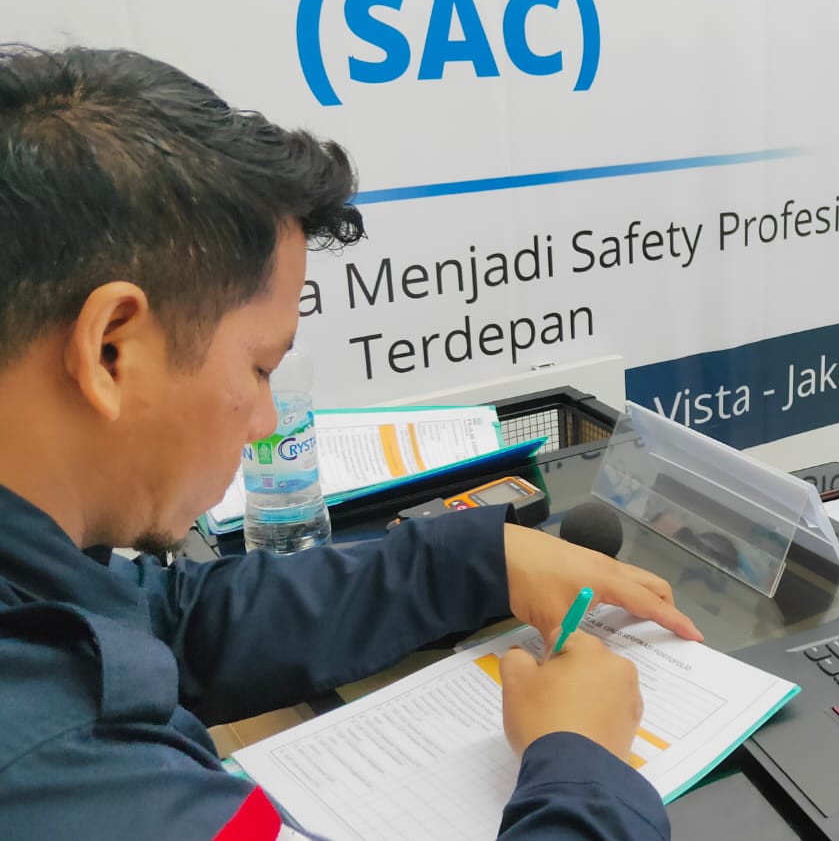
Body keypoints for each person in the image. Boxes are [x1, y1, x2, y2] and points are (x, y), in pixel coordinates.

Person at [0, 46, 699, 839]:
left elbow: (161, 619)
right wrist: (583, 762)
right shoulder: (57, 773)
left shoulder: (33, 581)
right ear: (110, 350)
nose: (265, 419)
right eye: (260, 368)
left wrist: (474, 561)